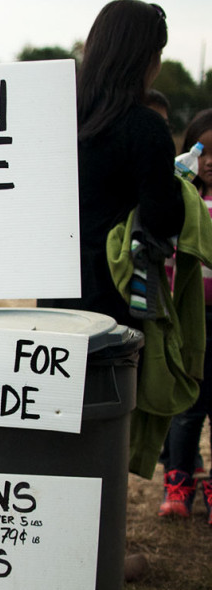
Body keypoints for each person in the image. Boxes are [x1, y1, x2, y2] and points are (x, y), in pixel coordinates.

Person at [39, 1, 183, 329]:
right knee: (114, 381)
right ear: (145, 57)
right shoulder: (145, 126)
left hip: (52, 293)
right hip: (116, 299)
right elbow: (161, 219)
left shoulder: (58, 118)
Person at [159, 109, 212, 522]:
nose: (210, 160)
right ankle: (178, 482)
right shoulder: (178, 198)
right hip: (191, 319)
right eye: (203, 150)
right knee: (187, 405)